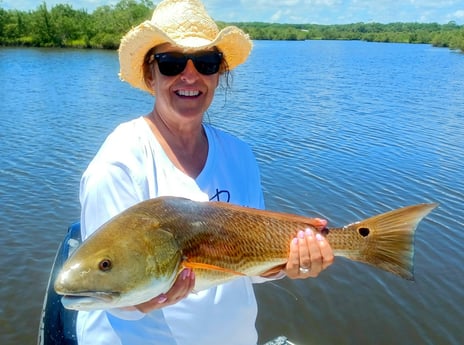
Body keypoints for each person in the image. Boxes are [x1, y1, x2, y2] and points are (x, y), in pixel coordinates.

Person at [76, 0, 334, 344]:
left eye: (206, 62)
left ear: (219, 73)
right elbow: (104, 294)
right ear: (150, 75)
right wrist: (149, 300)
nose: (190, 75)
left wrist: (293, 262)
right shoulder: (118, 166)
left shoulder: (239, 155)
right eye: (170, 63)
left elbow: (248, 267)